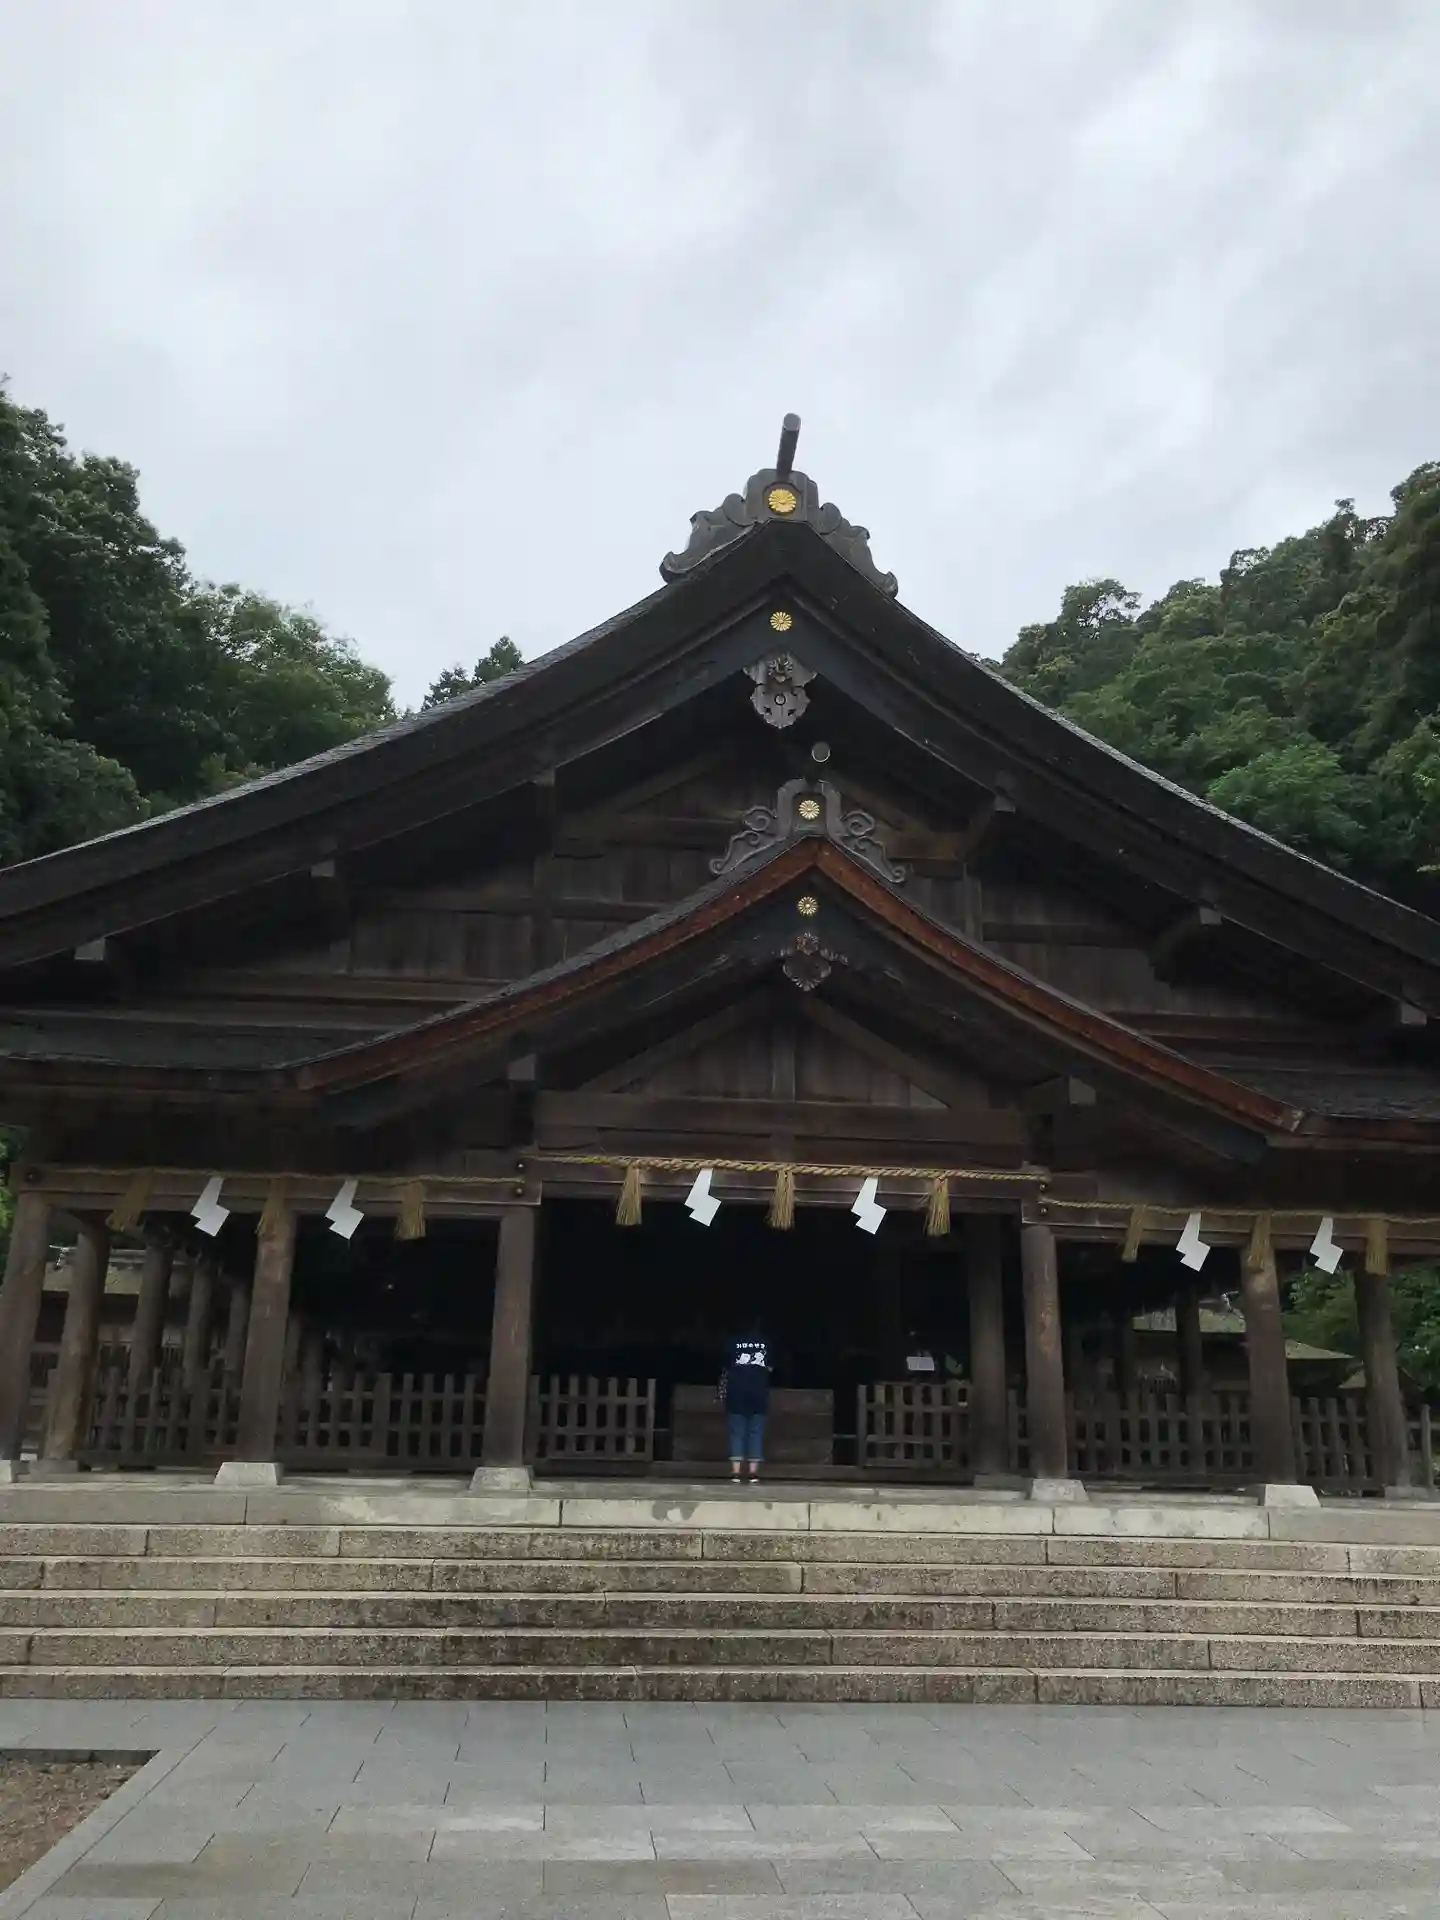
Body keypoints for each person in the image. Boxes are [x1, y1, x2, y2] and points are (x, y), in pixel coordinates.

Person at [720, 1324, 771, 1481]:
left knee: (736, 1433)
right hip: (759, 1394)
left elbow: (725, 1368)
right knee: (755, 1433)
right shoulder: (766, 1343)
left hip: (736, 1393)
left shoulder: (732, 1343)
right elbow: (770, 1368)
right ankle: (752, 1473)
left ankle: (736, 1472)